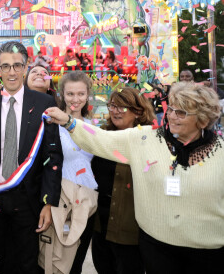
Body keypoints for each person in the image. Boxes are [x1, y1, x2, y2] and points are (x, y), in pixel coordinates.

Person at [46, 82, 224, 273]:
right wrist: (68, 121)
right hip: (158, 248)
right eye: (171, 109)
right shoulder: (144, 139)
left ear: (203, 120)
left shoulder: (221, 153)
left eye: (181, 113)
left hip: (209, 252)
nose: (172, 116)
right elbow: (100, 139)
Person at [0, 41, 63, 274]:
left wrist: (48, 203)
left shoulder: (44, 104)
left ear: (26, 66)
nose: (12, 72)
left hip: (28, 199)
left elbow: (52, 156)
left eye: (17, 65)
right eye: (6, 66)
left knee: (28, 263)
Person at [88, 87, 153, 274]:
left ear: (138, 111)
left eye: (122, 107)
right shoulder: (103, 134)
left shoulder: (148, 138)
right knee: (103, 266)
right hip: (101, 220)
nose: (115, 111)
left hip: (130, 224)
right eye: (112, 106)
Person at [45, 71, 98, 274]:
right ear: (62, 95)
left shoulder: (94, 127)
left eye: (80, 94)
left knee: (77, 260)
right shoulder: (51, 125)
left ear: (87, 95)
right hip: (59, 199)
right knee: (54, 259)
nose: (75, 99)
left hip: (87, 199)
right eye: (70, 94)